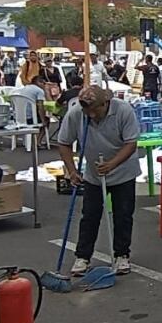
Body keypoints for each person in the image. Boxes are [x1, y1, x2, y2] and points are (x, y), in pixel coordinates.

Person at [55, 86, 139, 276]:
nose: (91, 115)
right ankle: (83, 256)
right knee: (90, 215)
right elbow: (64, 143)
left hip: (123, 171)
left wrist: (112, 164)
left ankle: (121, 254)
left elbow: (131, 143)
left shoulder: (123, 110)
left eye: (95, 110)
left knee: (123, 214)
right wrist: (72, 171)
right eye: (87, 111)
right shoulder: (77, 113)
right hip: (93, 173)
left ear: (105, 103)